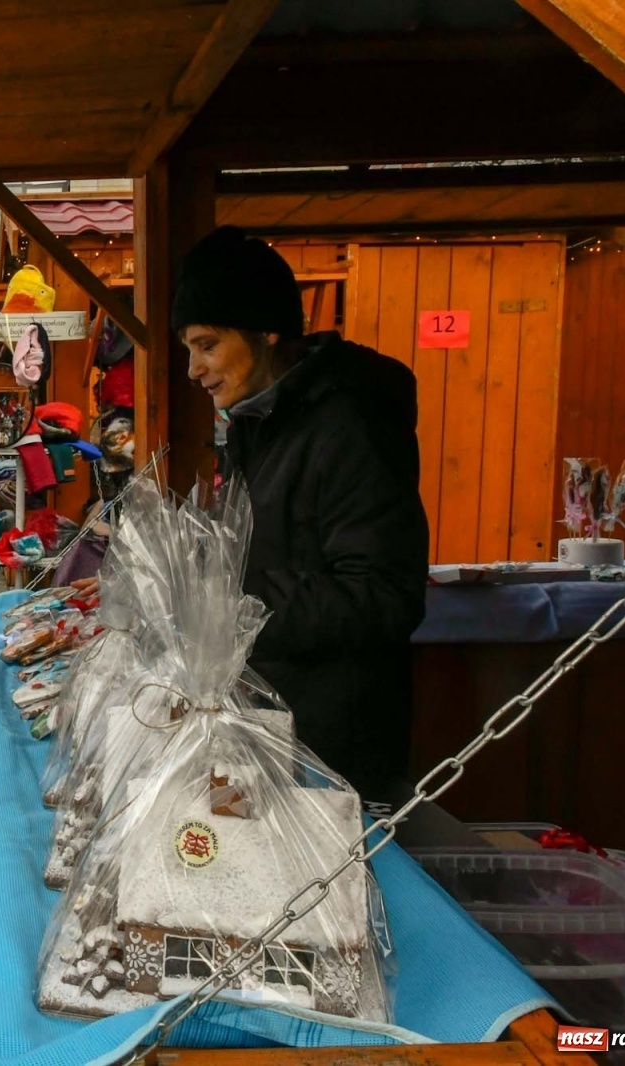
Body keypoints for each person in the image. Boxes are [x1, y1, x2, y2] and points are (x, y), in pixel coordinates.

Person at [170, 225, 429, 797]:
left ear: (266, 332)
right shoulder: (257, 423)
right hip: (272, 731)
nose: (193, 369)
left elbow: (384, 595)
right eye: (189, 348)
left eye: (207, 345)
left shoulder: (350, 427)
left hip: (333, 754)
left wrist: (228, 607)